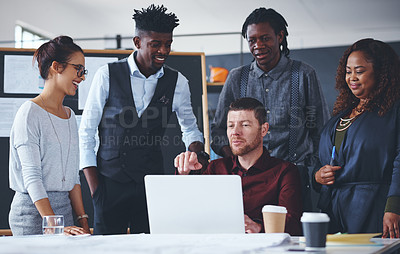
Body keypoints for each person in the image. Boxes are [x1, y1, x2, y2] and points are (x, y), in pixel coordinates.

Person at [79, 4, 205, 235]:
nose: (163, 50)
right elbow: (86, 133)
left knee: (151, 247)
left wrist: (194, 151)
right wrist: (96, 191)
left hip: (151, 185)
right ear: (137, 42)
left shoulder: (178, 83)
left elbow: (191, 130)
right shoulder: (106, 75)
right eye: (155, 44)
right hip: (109, 183)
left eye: (168, 44)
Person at [210, 8, 330, 211]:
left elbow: (321, 130)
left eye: (265, 38)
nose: (258, 46)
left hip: (296, 178)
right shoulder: (236, 78)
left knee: (294, 237)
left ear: (280, 36)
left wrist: (312, 170)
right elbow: (219, 131)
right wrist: (238, 159)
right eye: (252, 40)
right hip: (248, 182)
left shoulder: (304, 74)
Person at [175, 97, 302, 235]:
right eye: (230, 125)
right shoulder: (215, 169)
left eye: (245, 125)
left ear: (263, 130)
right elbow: (191, 214)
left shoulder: (284, 172)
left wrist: (259, 227)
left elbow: (294, 223)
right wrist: (184, 175)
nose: (235, 132)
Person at [313, 38, 400, 238]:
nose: (352, 77)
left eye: (359, 71)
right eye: (348, 71)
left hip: (374, 207)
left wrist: (394, 206)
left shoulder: (393, 112)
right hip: (333, 212)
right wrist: (317, 176)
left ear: (381, 73)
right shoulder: (341, 114)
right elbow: (323, 159)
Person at [9, 36, 90, 236]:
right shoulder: (29, 112)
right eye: (78, 69)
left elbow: (73, 177)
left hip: (65, 211)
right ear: (56, 67)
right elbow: (32, 177)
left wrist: (83, 219)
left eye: (83, 71)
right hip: (32, 214)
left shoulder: (70, 116)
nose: (82, 77)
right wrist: (53, 224)